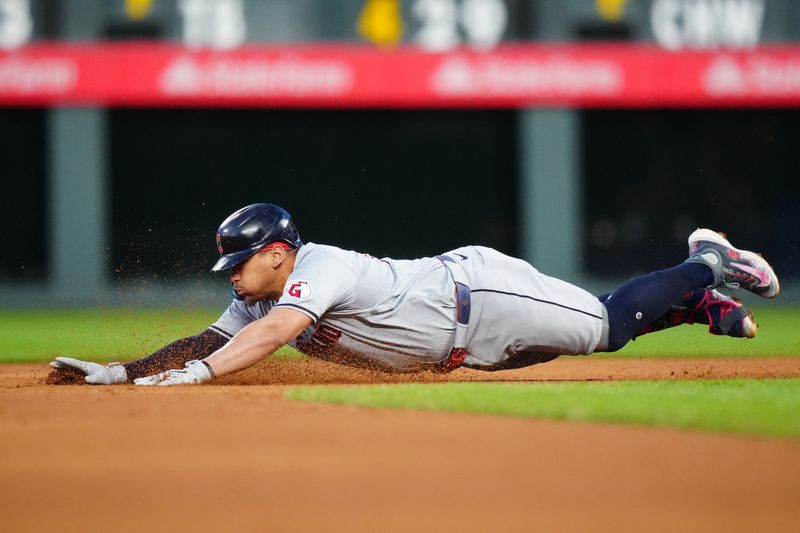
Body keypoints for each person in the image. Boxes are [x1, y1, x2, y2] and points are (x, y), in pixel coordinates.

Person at [49, 203, 779, 386]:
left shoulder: (318, 267)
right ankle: (691, 306)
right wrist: (122, 372)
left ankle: (707, 262)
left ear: (277, 254)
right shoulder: (260, 298)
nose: (234, 279)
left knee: (608, 327)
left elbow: (264, 340)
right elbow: (211, 339)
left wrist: (198, 379)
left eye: (241, 265)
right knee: (596, 330)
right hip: (462, 350)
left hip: (478, 295)